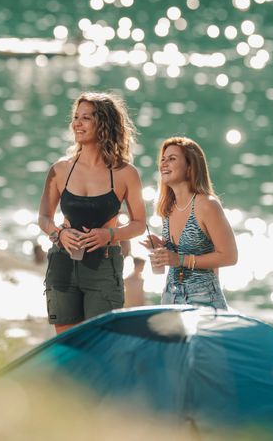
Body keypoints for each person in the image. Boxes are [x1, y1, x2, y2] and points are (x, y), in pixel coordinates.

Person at [38, 92, 146, 334]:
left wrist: (110, 234)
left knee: (101, 343)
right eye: (76, 117)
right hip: (63, 263)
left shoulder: (125, 173)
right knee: (68, 347)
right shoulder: (60, 170)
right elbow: (44, 217)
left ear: (104, 124)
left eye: (85, 118)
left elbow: (139, 223)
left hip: (104, 268)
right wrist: (58, 234)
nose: (77, 123)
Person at [140, 136, 238, 309]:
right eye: (162, 159)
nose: (164, 163)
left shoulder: (207, 204)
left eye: (172, 159)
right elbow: (182, 252)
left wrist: (180, 259)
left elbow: (230, 256)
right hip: (170, 298)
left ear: (189, 167)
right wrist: (162, 247)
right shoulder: (168, 207)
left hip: (204, 301)